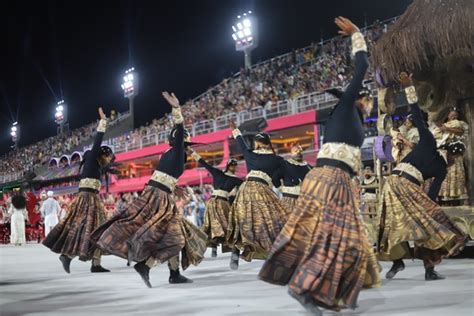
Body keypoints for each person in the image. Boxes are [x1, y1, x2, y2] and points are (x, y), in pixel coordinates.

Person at [259, 17, 380, 315]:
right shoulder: (346, 106)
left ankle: (320, 290)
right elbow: (362, 67)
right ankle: (303, 288)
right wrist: (358, 37)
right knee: (337, 238)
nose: (369, 102)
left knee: (345, 239)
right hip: (331, 178)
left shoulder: (352, 122)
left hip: (331, 179)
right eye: (367, 98)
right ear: (357, 99)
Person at [90, 92, 207, 288]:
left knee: (169, 234)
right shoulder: (177, 151)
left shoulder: (169, 154)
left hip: (156, 193)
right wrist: (177, 110)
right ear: (182, 142)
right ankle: (152, 267)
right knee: (173, 236)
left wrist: (174, 187)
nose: (187, 147)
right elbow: (179, 133)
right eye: (186, 143)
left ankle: (169, 272)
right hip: (160, 197)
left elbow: (164, 176)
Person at [377, 73, 467, 281]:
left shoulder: (441, 168)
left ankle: (424, 268)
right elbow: (416, 115)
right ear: (453, 153)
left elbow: (433, 194)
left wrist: (431, 210)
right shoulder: (429, 143)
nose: (456, 161)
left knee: (407, 223)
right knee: (401, 223)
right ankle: (405, 263)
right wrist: (409, 88)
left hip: (395, 182)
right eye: (457, 157)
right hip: (402, 183)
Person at [43, 107, 115, 274]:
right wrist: (103, 122)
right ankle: (69, 256)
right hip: (87, 199)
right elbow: (98, 140)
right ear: (101, 154)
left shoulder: (96, 166)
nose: (110, 161)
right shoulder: (92, 161)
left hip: (91, 198)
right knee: (87, 229)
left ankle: (92, 262)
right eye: (109, 157)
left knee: (98, 229)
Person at [226, 121, 287, 270]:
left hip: (246, 190)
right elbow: (278, 180)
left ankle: (235, 253)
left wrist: (235, 130)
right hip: (262, 192)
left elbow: (240, 142)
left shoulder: (249, 154)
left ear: (258, 144)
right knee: (271, 222)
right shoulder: (277, 160)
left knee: (242, 222)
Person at [189, 149, 242, 257]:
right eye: (233, 165)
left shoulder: (219, 174)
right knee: (225, 225)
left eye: (235, 165)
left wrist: (193, 153)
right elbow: (204, 163)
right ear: (230, 166)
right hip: (221, 203)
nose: (234, 167)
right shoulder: (236, 180)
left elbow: (204, 163)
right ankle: (223, 247)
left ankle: (214, 247)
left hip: (213, 202)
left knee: (214, 225)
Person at [431, 107, 469, 203]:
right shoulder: (442, 126)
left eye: (456, 115)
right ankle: (444, 196)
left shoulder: (460, 125)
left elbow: (461, 132)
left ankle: (457, 196)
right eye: (452, 115)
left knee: (456, 172)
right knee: (445, 174)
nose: (454, 117)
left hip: (455, 152)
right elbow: (435, 136)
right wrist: (442, 130)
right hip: (444, 153)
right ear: (448, 115)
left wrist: (447, 129)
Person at [273, 144, 312, 215]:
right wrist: (280, 188)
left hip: (305, 201)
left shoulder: (308, 167)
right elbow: (275, 178)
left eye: (300, 151)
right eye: (296, 151)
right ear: (291, 153)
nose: (298, 153)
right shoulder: (285, 164)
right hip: (289, 199)